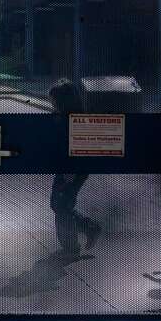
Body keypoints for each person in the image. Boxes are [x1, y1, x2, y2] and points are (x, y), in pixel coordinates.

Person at [48, 78, 101, 258]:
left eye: (54, 101)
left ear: (62, 101)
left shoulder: (74, 122)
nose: (52, 104)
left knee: (61, 204)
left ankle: (71, 245)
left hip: (71, 170)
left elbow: (78, 149)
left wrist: (71, 172)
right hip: (70, 169)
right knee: (61, 203)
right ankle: (87, 228)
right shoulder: (66, 118)